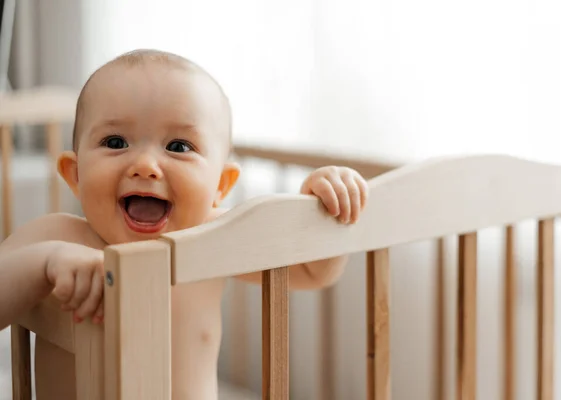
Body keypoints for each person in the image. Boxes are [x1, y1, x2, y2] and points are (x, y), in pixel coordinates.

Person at [0, 49, 369, 399]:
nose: (145, 164)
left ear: (220, 187)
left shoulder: (217, 237)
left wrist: (324, 210)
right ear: (76, 175)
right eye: (115, 141)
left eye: (178, 147)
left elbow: (312, 270)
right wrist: (46, 262)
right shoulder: (59, 238)